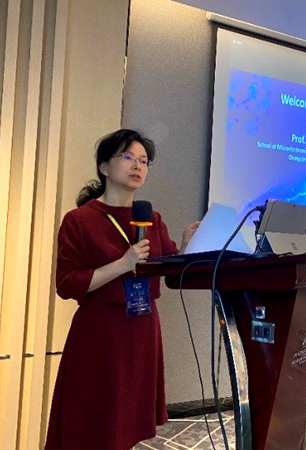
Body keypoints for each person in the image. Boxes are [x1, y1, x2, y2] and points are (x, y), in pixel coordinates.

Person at [45, 129, 198, 450]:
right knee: (94, 419)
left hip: (142, 330)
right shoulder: (80, 220)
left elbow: (168, 268)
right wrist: (123, 263)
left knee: (127, 423)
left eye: (144, 161)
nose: (137, 165)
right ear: (104, 166)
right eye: (128, 157)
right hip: (102, 333)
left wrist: (186, 247)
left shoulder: (151, 218)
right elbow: (67, 283)